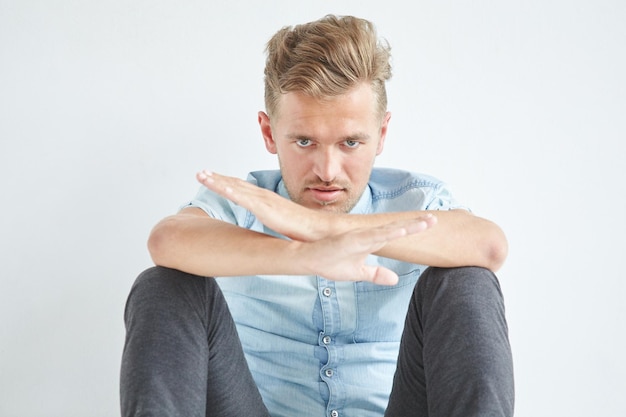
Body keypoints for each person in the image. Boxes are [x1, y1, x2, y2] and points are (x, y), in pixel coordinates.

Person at [120, 14, 514, 417]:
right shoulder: (243, 204)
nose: (327, 170)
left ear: (381, 134)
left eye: (350, 142)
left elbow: (489, 246)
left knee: (467, 281)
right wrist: (303, 256)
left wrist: (322, 227)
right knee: (163, 284)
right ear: (270, 133)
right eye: (304, 141)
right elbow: (166, 241)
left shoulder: (415, 199)